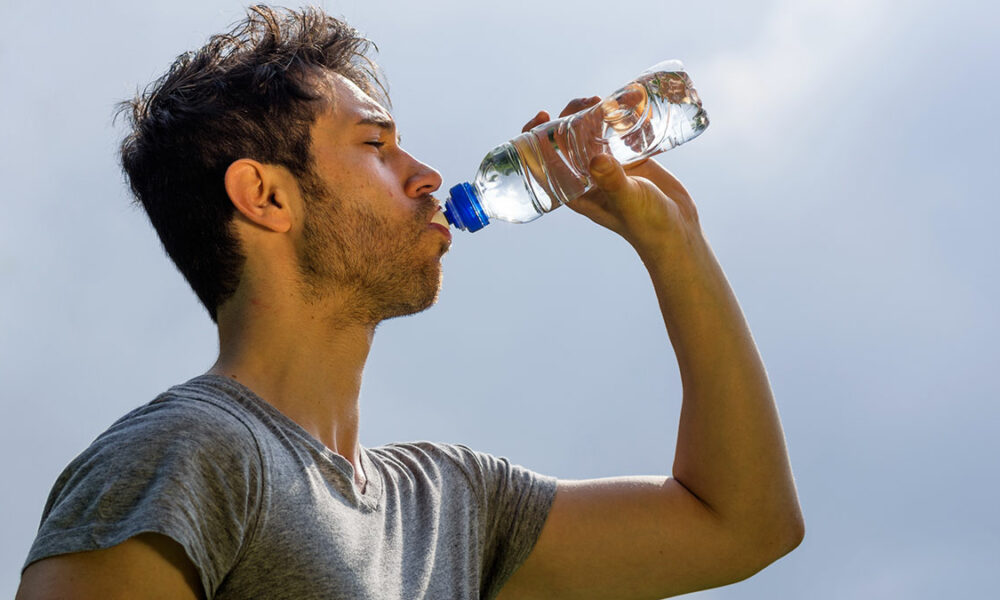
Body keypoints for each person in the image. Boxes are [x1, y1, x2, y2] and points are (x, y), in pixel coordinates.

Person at [17, 6, 803, 600]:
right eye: (376, 146)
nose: (427, 174)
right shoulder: (187, 456)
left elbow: (743, 525)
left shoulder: (451, 505)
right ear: (264, 196)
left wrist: (676, 244)